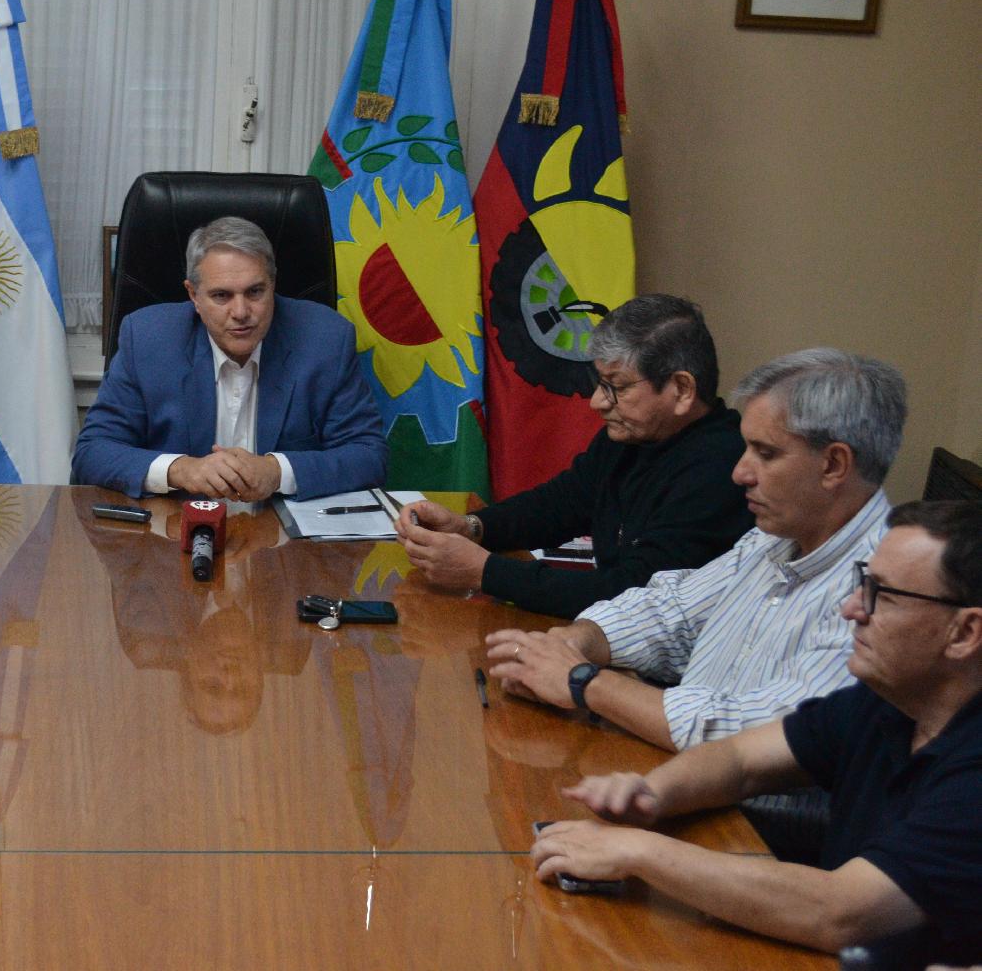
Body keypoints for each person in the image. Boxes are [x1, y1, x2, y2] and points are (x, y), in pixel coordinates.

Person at [531, 500, 982, 967]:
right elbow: (740, 761)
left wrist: (639, 851)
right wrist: (653, 793)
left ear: (965, 632)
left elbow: (842, 912)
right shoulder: (887, 702)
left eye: (882, 595)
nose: (851, 608)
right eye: (861, 583)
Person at [484, 348, 907, 754]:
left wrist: (581, 682)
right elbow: (673, 612)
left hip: (755, 824)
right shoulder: (774, 536)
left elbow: (759, 733)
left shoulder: (887, 590)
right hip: (681, 781)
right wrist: (577, 641)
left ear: (834, 465)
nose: (740, 472)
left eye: (765, 453)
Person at [396, 294, 751, 619]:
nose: (598, 401)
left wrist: (485, 572)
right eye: (600, 383)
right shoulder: (633, 436)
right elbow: (561, 503)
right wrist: (472, 527)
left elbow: (635, 595)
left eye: (618, 387)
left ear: (682, 389)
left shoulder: (723, 467)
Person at [71, 216, 386, 501]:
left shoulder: (325, 340)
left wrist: (277, 471)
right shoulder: (148, 339)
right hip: (175, 534)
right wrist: (180, 469)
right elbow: (93, 452)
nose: (240, 313)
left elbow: (369, 456)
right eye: (221, 296)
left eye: (255, 292)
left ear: (273, 286)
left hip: (281, 541)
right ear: (193, 295)